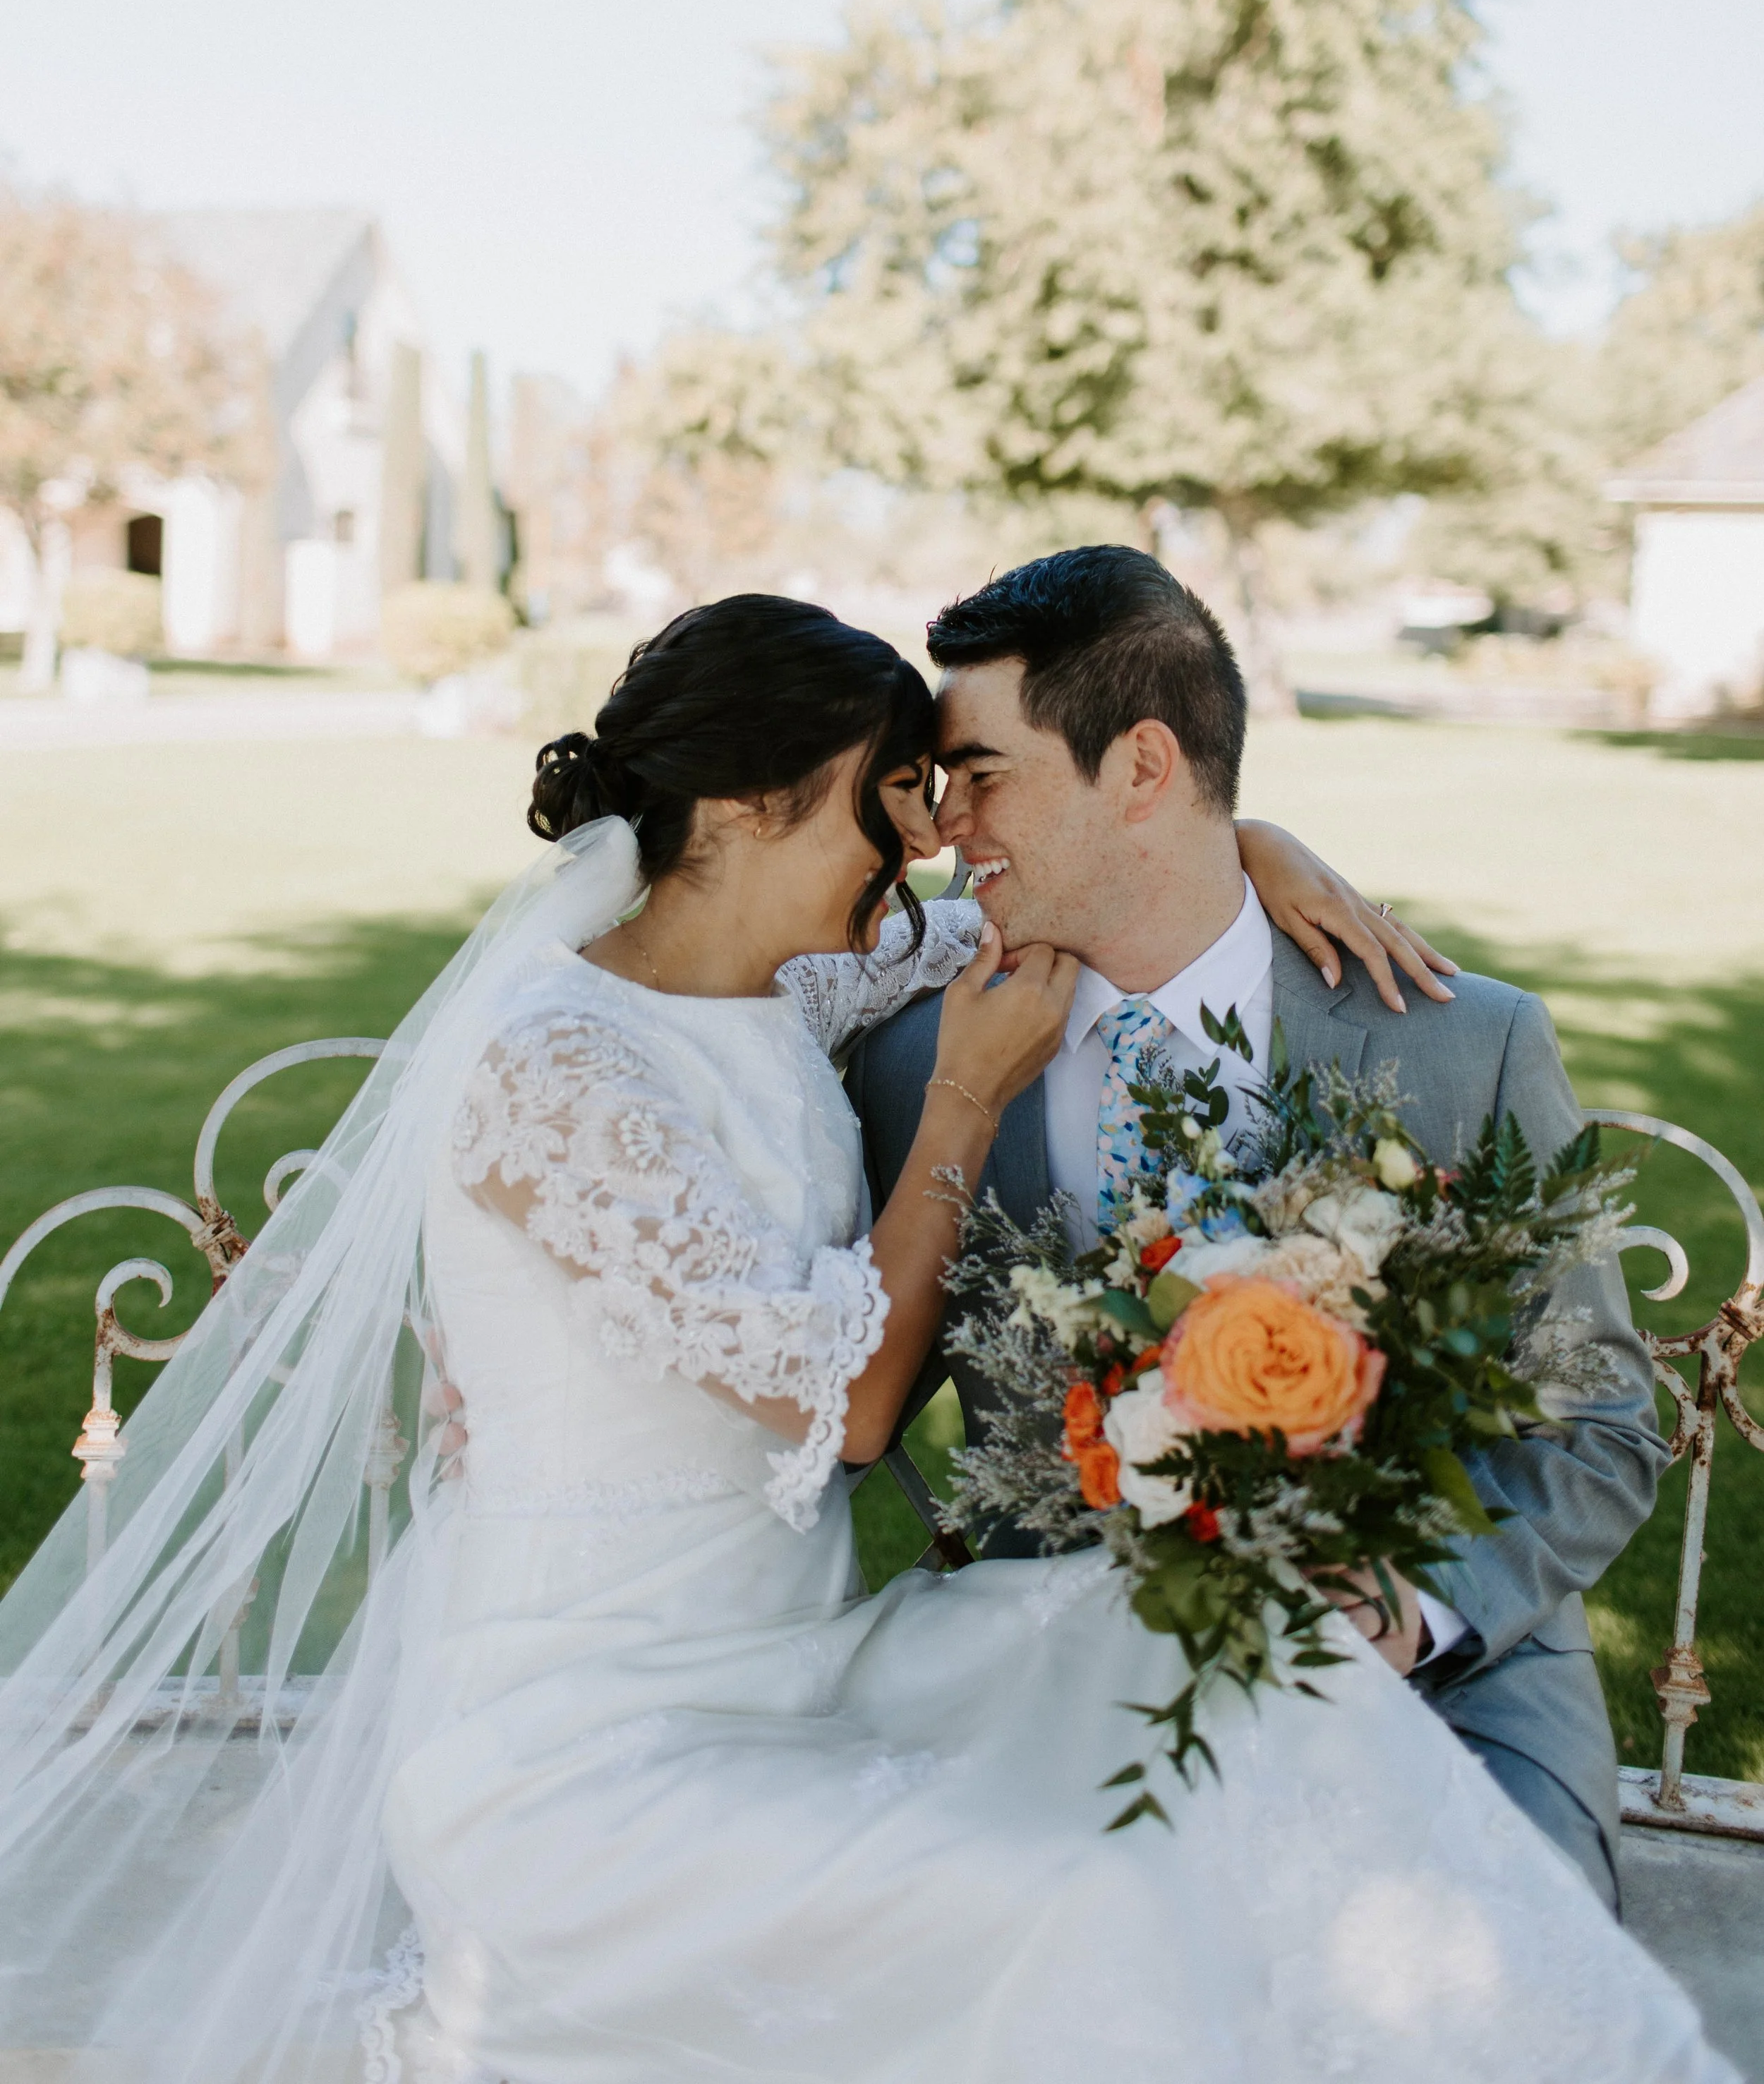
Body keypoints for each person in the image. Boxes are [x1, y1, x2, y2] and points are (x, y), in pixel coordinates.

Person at [0, 594, 1727, 2084]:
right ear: (750, 805)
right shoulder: (555, 1068)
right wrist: (967, 1100)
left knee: (1165, 1685)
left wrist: (1238, 842)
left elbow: (1089, 886)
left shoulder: (796, 990)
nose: (922, 857)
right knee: (1091, 1885)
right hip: (590, 1725)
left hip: (794, 1658)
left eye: (941, 801)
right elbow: (844, 1410)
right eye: (889, 810)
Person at [845, 543, 1668, 1912]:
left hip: (1444, 1687)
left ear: (1143, 768)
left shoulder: (1460, 1044)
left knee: (1475, 1961)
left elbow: (1594, 1424)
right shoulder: (909, 1053)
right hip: (1060, 1674)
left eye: (981, 775)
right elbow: (823, 1365)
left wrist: (1413, 1607)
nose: (945, 828)